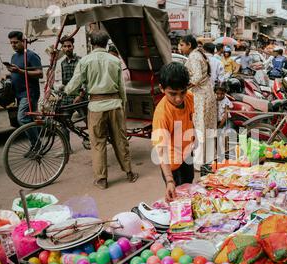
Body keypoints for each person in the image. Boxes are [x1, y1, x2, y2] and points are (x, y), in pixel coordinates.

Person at [65, 30, 138, 189]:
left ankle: (101, 180)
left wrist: (65, 91)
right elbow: (122, 88)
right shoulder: (114, 60)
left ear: (91, 43)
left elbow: (74, 84)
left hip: (96, 107)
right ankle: (129, 173)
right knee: (120, 140)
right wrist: (122, 105)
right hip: (114, 105)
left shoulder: (85, 61)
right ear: (106, 43)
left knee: (98, 143)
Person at [151, 62, 195, 202]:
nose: (178, 98)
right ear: (162, 89)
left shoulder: (190, 97)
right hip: (171, 164)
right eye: (173, 93)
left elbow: (191, 119)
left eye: (182, 92)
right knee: (178, 199)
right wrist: (170, 180)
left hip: (187, 154)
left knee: (190, 188)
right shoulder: (162, 114)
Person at [179, 35, 217, 171]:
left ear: (189, 45)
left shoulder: (194, 56)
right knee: (208, 128)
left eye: (182, 45)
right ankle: (209, 158)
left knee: (200, 128)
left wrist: (184, 87)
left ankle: (199, 162)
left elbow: (196, 77)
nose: (180, 48)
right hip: (207, 93)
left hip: (201, 95)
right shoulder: (199, 54)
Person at [7, 31, 43, 155]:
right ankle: (36, 146)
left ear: (23, 41)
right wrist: (8, 74)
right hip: (19, 94)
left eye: (16, 42)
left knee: (22, 118)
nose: (13, 45)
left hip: (29, 93)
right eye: (11, 43)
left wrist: (20, 71)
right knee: (31, 120)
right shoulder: (14, 57)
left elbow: (40, 73)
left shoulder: (31, 55)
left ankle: (37, 145)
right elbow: (16, 72)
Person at [59, 35, 86, 152]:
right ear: (62, 48)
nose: (67, 48)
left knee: (89, 121)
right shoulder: (62, 63)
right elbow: (64, 82)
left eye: (69, 46)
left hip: (80, 97)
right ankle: (67, 149)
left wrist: (81, 96)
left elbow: (85, 80)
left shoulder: (81, 61)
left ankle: (95, 142)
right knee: (63, 123)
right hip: (67, 98)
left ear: (73, 47)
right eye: (64, 46)